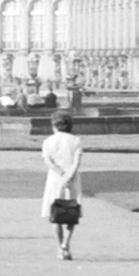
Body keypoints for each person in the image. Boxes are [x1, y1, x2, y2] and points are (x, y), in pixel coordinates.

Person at [41, 108, 84, 260]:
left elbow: (48, 162)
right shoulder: (76, 140)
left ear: (54, 125)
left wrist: (61, 175)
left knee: (55, 214)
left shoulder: (48, 141)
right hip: (72, 178)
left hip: (55, 178)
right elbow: (77, 162)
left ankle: (61, 248)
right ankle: (66, 243)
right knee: (71, 212)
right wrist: (68, 176)